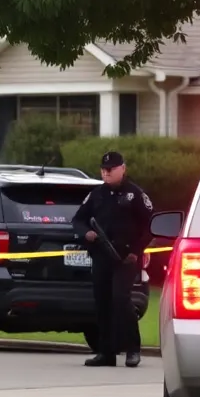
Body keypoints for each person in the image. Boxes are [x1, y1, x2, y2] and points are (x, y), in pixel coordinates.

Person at [72, 151, 154, 368]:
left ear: (123, 169)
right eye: (103, 169)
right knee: (102, 302)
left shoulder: (135, 194)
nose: (106, 173)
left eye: (111, 169)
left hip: (126, 258)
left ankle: (132, 349)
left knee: (120, 299)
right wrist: (86, 233)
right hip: (102, 256)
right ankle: (106, 353)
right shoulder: (97, 194)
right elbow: (78, 220)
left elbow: (150, 226)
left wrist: (136, 251)